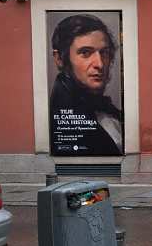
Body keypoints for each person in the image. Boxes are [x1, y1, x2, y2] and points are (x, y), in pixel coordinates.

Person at [49, 14, 124, 156]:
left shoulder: (108, 111)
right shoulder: (57, 113)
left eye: (104, 53)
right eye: (85, 53)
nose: (100, 64)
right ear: (59, 58)